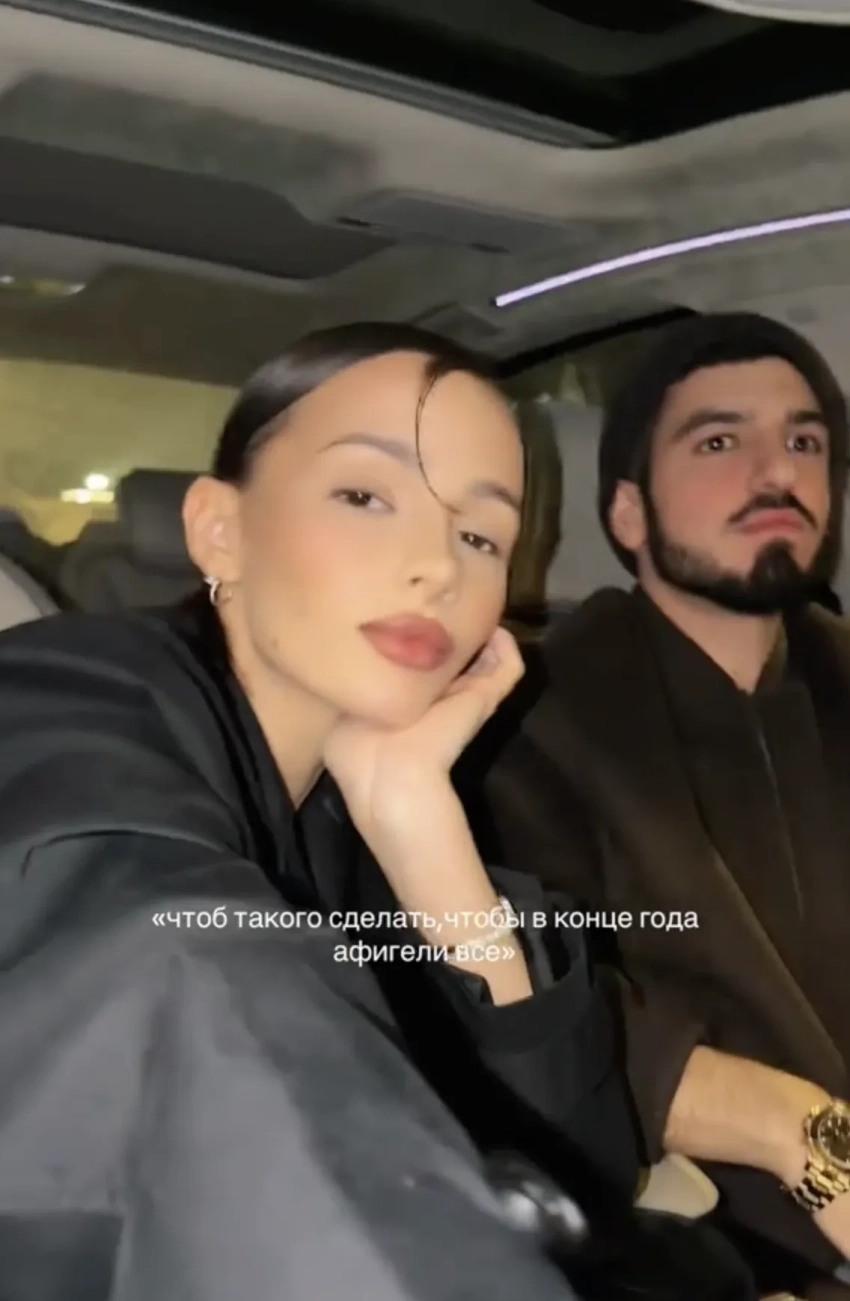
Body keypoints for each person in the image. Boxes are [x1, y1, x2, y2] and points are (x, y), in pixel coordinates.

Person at [0, 323, 641, 1301]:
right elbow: (177, 976)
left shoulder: (354, 805)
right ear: (221, 530)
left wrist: (420, 828)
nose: (439, 566)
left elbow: (572, 1166)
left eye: (480, 536)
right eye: (365, 496)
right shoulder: (64, 698)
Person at [469, 313, 850, 1298]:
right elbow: (540, 1011)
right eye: (719, 441)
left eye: (804, 441)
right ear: (629, 514)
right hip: (726, 1246)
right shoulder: (530, 718)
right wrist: (801, 1133)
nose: (778, 470)